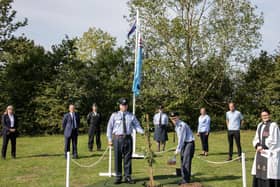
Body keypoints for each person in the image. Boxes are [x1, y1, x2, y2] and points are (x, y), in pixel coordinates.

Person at [107, 98, 144, 184]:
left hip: (128, 138)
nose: (124, 106)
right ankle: (118, 177)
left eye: (126, 105)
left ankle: (128, 176)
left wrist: (143, 132)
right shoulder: (114, 115)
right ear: (120, 106)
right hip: (117, 138)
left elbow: (137, 125)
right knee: (118, 158)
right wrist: (109, 139)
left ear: (127, 106)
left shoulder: (131, 115)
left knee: (128, 158)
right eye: (123, 105)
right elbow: (109, 128)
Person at [251, 108, 280, 187]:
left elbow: (274, 140)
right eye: (263, 115)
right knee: (259, 170)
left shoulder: (273, 125)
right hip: (260, 152)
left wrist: (263, 146)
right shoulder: (260, 125)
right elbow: (256, 138)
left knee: (269, 172)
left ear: (269, 115)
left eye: (266, 115)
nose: (264, 117)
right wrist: (257, 145)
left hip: (269, 153)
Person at [170, 112, 195, 185]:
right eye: (172, 119)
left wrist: (178, 149)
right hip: (184, 144)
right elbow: (180, 139)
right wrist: (179, 148)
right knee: (182, 161)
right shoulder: (177, 126)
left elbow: (182, 138)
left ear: (178, 117)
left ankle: (186, 181)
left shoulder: (182, 125)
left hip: (189, 143)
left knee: (186, 162)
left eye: (175, 118)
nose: (173, 120)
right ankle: (184, 178)